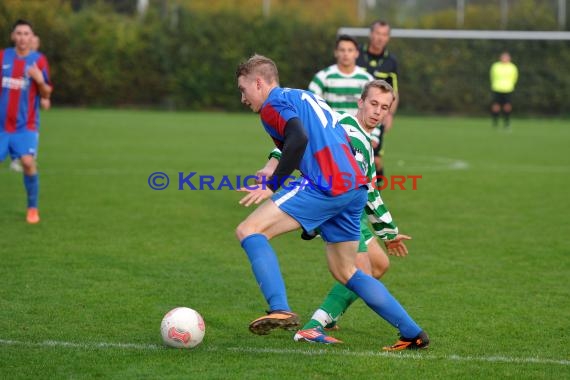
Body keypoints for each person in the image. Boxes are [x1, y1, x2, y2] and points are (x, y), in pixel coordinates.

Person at [235, 54, 429, 350]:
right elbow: (309, 136)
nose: (243, 98)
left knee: (250, 230)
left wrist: (272, 185)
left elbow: (297, 138)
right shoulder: (302, 96)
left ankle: (280, 307)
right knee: (347, 272)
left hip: (325, 184)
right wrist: (272, 166)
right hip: (353, 188)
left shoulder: (272, 104)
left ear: (259, 82)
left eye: (243, 89)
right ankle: (412, 333)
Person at [0, 19, 52, 223]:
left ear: (32, 38)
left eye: (26, 34)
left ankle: (32, 208)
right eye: (19, 33)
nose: (22, 37)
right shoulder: (3, 56)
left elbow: (46, 92)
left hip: (26, 126)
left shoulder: (39, 60)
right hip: (2, 127)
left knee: (29, 163)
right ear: (13, 36)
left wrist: (39, 80)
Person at [356, 20, 399, 183]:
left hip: (376, 115)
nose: (380, 38)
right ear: (371, 34)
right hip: (355, 112)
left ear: (388, 38)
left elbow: (394, 91)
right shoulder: (356, 54)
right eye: (377, 33)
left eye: (384, 35)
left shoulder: (391, 61)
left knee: (376, 159)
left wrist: (390, 115)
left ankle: (376, 195)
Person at [9, 32, 50, 173]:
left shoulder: (38, 61)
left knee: (31, 130)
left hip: (30, 109)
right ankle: (17, 158)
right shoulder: (16, 59)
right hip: (13, 108)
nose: (34, 44)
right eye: (33, 41)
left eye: (36, 42)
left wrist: (45, 98)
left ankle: (27, 159)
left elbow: (44, 84)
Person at [308, 34, 373, 116]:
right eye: (342, 50)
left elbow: (374, 107)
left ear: (356, 53)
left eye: (350, 50)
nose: (346, 54)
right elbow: (310, 105)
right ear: (336, 53)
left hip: (358, 128)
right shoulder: (322, 77)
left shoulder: (367, 79)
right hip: (331, 128)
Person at [490, 51, 518, 129]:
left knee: (507, 106)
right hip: (497, 88)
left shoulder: (512, 67)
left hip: (508, 89)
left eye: (506, 57)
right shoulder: (495, 66)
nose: (504, 59)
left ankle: (507, 123)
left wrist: (510, 85)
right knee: (496, 106)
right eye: (503, 57)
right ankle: (495, 123)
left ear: (509, 58)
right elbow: (492, 76)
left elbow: (515, 78)